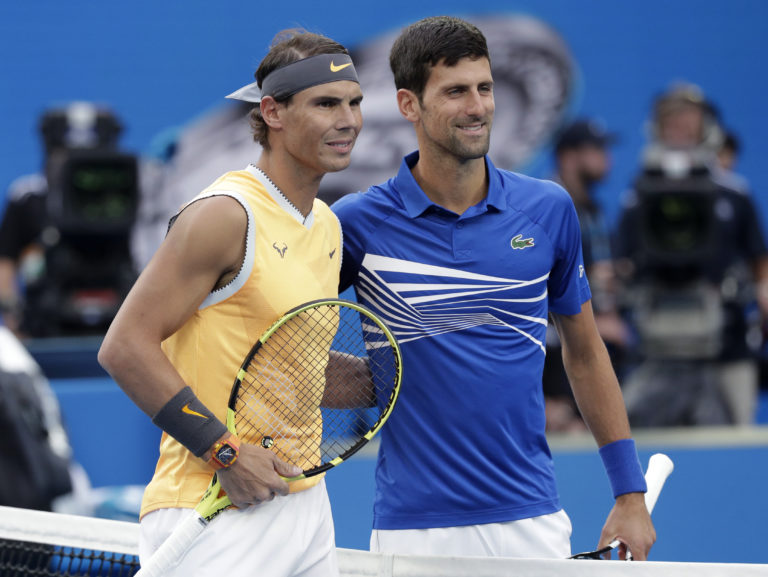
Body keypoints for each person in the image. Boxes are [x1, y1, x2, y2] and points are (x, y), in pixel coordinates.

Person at [332, 16, 654, 560]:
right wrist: (385, 377)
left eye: (485, 88)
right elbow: (290, 347)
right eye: (455, 91)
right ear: (409, 104)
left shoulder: (548, 209)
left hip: (532, 521)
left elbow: (585, 354)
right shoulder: (356, 223)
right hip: (414, 531)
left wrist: (629, 493)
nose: (478, 106)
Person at [98, 29, 362, 576]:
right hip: (213, 503)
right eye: (326, 104)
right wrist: (224, 451)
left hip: (305, 506)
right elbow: (124, 347)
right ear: (273, 112)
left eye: (354, 103)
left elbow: (292, 368)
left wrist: (386, 375)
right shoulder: (224, 214)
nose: (349, 121)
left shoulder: (327, 225)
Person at [615, 83, 768, 426]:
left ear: (706, 127)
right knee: (646, 440)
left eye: (688, 118)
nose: (680, 126)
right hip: (656, 347)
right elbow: (622, 260)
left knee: (732, 445)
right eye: (671, 118)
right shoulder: (638, 196)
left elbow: (760, 261)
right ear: (656, 127)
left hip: (728, 345)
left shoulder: (735, 193)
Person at [0, 102, 136, 337]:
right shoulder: (27, 197)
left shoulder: (134, 196)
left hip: (124, 320)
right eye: (65, 154)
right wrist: (13, 315)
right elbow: (6, 262)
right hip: (45, 324)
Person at [542, 119, 631, 432]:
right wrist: (590, 322)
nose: (607, 158)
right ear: (568, 158)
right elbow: (523, 287)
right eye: (596, 149)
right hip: (552, 361)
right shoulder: (543, 207)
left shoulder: (594, 210)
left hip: (592, 354)